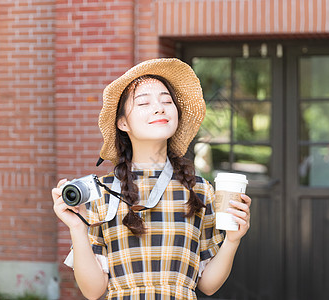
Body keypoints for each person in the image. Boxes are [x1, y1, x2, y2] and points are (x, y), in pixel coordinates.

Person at [51, 58, 252, 300]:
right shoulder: (101, 191)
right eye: (144, 102)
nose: (160, 108)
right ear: (123, 122)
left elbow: (207, 285)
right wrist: (77, 228)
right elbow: (93, 291)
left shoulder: (200, 190)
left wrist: (232, 240)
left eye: (167, 101)